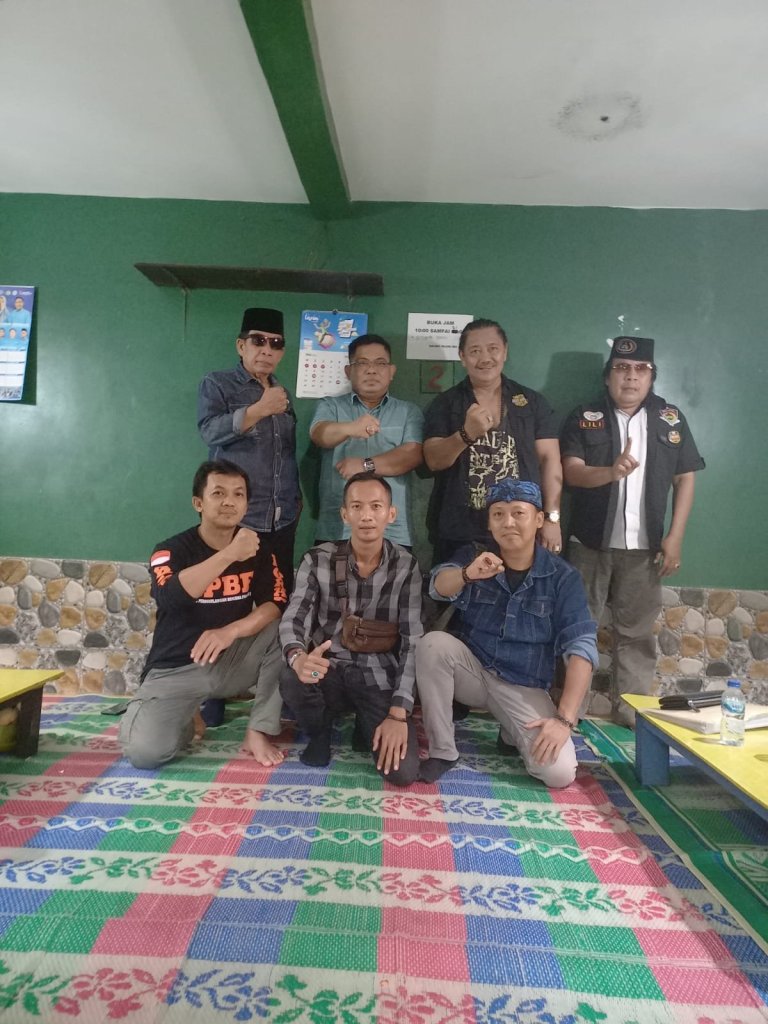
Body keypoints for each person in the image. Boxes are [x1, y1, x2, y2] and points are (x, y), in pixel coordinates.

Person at [560, 336, 705, 727]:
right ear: (608, 376)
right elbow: (571, 472)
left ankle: (631, 711)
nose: (631, 377)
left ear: (652, 377)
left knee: (637, 634)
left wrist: (675, 536)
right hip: (588, 543)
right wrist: (610, 472)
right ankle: (571, 709)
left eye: (641, 369)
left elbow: (685, 478)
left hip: (645, 548)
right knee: (577, 627)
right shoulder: (584, 416)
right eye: (622, 368)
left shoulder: (671, 419)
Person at [416, 479, 598, 787]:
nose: (508, 522)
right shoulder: (477, 556)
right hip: (473, 673)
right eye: (498, 514)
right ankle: (443, 751)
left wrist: (564, 720)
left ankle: (510, 732)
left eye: (518, 513)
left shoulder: (562, 577)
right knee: (432, 645)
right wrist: (467, 574)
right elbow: (437, 586)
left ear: (538, 520)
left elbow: (582, 647)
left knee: (558, 773)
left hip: (524, 687)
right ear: (489, 522)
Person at [120, 460, 288, 769]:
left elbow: (274, 603)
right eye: (218, 493)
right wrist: (229, 555)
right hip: (175, 670)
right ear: (198, 503)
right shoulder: (169, 550)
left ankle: (258, 731)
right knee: (145, 754)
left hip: (230, 661)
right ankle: (186, 714)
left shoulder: (259, 548)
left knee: (286, 630)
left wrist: (231, 631)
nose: (229, 502)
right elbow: (170, 597)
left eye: (238, 494)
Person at [279, 473, 423, 785]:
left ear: (391, 514)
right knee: (291, 676)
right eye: (357, 506)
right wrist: (297, 657)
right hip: (329, 669)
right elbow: (294, 618)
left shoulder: (406, 565)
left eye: (376, 506)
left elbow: (413, 641)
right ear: (345, 514)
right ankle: (319, 732)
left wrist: (398, 713)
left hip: (378, 675)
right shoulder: (317, 559)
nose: (366, 516)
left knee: (402, 773)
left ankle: (365, 722)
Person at [423, 318, 563, 563]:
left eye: (493, 349)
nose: (485, 358)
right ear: (462, 357)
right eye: (475, 351)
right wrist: (466, 434)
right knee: (455, 587)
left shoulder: (532, 402)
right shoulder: (445, 404)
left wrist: (552, 518)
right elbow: (433, 460)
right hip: (460, 532)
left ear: (505, 352)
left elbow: (550, 460)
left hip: (519, 530)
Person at [198, 307, 300, 592]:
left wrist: (295, 501)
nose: (267, 350)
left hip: (281, 520)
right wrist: (258, 410)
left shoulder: (283, 394)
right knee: (231, 598)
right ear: (241, 346)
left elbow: (285, 452)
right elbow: (209, 432)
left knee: (278, 597)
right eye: (258, 341)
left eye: (276, 343)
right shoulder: (217, 384)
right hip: (236, 520)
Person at [310, 333, 423, 547]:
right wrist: (351, 428)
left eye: (380, 363)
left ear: (391, 371)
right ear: (348, 371)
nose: (372, 370)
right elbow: (320, 434)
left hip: (393, 531)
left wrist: (365, 465)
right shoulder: (330, 406)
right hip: (337, 529)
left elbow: (412, 454)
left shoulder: (408, 411)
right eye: (362, 363)